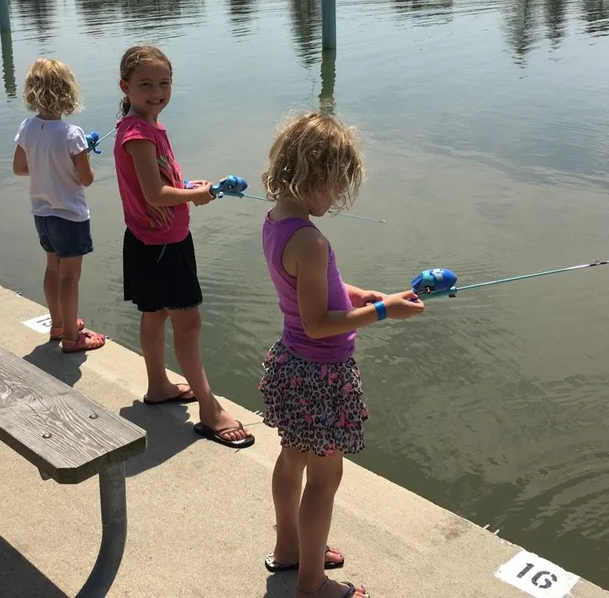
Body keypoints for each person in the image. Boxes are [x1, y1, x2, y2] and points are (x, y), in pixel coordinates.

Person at [258, 112, 426, 598]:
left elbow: (309, 291)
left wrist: (359, 293)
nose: (335, 198)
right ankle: (312, 584)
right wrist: (383, 313)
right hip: (321, 375)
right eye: (334, 187)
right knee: (325, 478)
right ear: (314, 179)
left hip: (290, 365)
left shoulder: (277, 222)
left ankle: (290, 548)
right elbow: (318, 322)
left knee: (292, 460)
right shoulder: (310, 240)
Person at [113, 44, 254, 449]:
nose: (156, 92)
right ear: (125, 87)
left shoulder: (145, 125)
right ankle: (210, 409)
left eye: (164, 83)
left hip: (150, 240)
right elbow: (156, 194)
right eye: (145, 85)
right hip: (160, 244)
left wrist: (190, 188)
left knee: (154, 313)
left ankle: (158, 385)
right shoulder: (138, 133)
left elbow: (158, 184)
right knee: (188, 324)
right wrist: (194, 197)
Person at [13, 58, 106, 354]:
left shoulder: (27, 127)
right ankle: (71, 337)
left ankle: (57, 324)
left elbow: (19, 167)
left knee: (52, 269)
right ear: (68, 92)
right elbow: (86, 179)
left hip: (42, 214)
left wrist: (46, 169)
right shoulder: (71, 134)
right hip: (69, 216)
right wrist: (83, 156)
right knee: (70, 276)